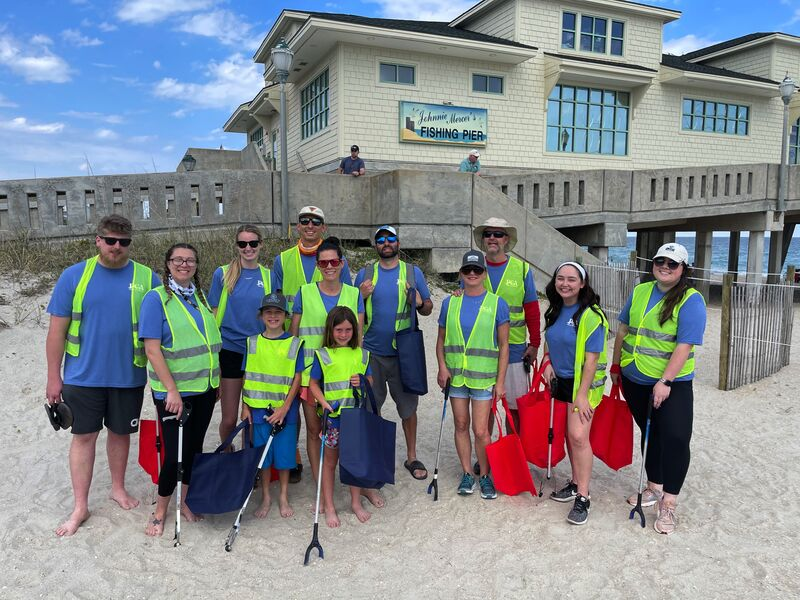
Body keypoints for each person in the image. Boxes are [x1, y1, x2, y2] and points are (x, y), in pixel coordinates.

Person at [46, 214, 158, 537]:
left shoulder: (147, 277)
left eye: (123, 242)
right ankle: (80, 506)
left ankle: (117, 488)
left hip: (129, 375)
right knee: (83, 437)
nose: (116, 247)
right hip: (82, 376)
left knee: (121, 434)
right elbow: (56, 333)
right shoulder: (74, 276)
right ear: (98, 240)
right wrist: (53, 377)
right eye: (110, 240)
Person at [610, 243, 706, 535]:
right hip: (634, 378)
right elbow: (623, 330)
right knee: (650, 432)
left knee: (676, 438)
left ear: (683, 269)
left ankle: (669, 503)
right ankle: (653, 486)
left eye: (672, 263)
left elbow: (684, 345)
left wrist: (665, 381)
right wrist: (616, 365)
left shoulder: (691, 300)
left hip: (671, 384)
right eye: (660, 261)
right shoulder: (641, 290)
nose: (665, 266)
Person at [139, 243, 222, 537]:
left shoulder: (199, 296)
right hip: (175, 394)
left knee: (194, 448)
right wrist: (171, 390)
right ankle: (160, 511)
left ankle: (185, 501)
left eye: (190, 260)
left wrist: (215, 380)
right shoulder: (156, 299)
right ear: (168, 263)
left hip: (205, 387)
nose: (184, 265)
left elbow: (207, 342)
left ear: (196, 265)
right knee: (175, 453)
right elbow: (152, 349)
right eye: (178, 260)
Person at [273, 205, 351, 481]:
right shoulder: (282, 260)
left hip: (335, 361)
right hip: (298, 355)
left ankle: (333, 473)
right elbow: (276, 304)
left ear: (323, 227)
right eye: (304, 220)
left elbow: (350, 309)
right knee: (296, 415)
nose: (309, 225)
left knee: (331, 422)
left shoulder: (338, 262)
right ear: (297, 225)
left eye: (315, 221)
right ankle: (296, 462)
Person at [354, 225, 433, 481]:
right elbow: (352, 311)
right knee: (370, 407)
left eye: (390, 238)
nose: (386, 243)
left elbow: (428, 308)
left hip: (404, 354)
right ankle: (375, 454)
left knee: (408, 408)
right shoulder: (365, 274)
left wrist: (419, 303)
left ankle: (411, 456)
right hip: (372, 353)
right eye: (381, 240)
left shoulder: (412, 272)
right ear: (375, 245)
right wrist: (359, 295)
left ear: (398, 242)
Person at [290, 237, 364, 498]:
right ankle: (321, 483)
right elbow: (294, 336)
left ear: (342, 263)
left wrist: (359, 374)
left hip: (344, 377)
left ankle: (356, 484)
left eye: (334, 262)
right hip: (312, 376)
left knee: (350, 432)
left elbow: (359, 338)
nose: (329, 266)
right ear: (317, 265)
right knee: (315, 431)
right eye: (324, 263)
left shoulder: (354, 294)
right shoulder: (304, 292)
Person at [436, 250, 509, 500]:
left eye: (477, 270)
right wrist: (442, 366)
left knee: (480, 431)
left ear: (485, 274)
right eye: (467, 270)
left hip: (484, 378)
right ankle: (467, 473)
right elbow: (441, 340)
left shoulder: (497, 304)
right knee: (460, 425)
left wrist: (500, 382)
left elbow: (504, 346)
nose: (472, 274)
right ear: (461, 273)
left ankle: (485, 475)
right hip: (456, 376)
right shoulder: (450, 302)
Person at [541, 262, 608, 526]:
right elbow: (549, 342)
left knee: (579, 437)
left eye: (571, 279)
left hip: (584, 386)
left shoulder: (592, 315)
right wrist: (546, 362)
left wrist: (582, 395)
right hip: (562, 382)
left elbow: (591, 361)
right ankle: (575, 481)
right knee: (570, 436)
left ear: (582, 283)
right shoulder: (555, 309)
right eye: (561, 278)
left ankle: (583, 496)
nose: (565, 284)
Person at [309, 306, 381, 527]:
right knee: (330, 462)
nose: (343, 334)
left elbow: (370, 380)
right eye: (338, 330)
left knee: (353, 461)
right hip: (333, 418)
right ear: (330, 330)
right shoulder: (323, 354)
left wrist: (363, 381)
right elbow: (313, 384)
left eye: (348, 330)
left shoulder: (362, 353)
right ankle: (330, 506)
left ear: (355, 330)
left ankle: (355, 502)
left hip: (355, 417)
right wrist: (323, 403)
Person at [207, 225, 274, 447]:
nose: (248, 248)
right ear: (236, 246)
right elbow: (214, 314)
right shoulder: (223, 273)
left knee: (254, 416)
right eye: (242, 243)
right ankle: (227, 453)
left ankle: (249, 459)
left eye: (253, 243)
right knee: (229, 419)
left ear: (260, 244)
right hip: (230, 350)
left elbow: (274, 315)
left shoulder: (269, 276)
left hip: (259, 353)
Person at [472, 217, 540, 434]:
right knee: (485, 408)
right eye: (488, 234)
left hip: (515, 348)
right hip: (481, 349)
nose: (492, 238)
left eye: (498, 234)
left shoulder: (522, 269)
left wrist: (535, 343)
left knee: (515, 408)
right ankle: (486, 450)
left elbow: (532, 309)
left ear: (506, 239)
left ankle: (514, 448)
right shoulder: (473, 267)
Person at [241, 293, 304, 519]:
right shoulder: (251, 342)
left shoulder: (294, 343)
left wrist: (285, 408)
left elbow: (297, 378)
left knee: (285, 457)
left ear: (285, 316)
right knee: (264, 457)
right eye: (268, 312)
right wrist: (245, 406)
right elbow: (247, 376)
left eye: (278, 312)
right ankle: (266, 496)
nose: (273, 316)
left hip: (285, 412)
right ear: (261, 316)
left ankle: (283, 495)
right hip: (259, 411)